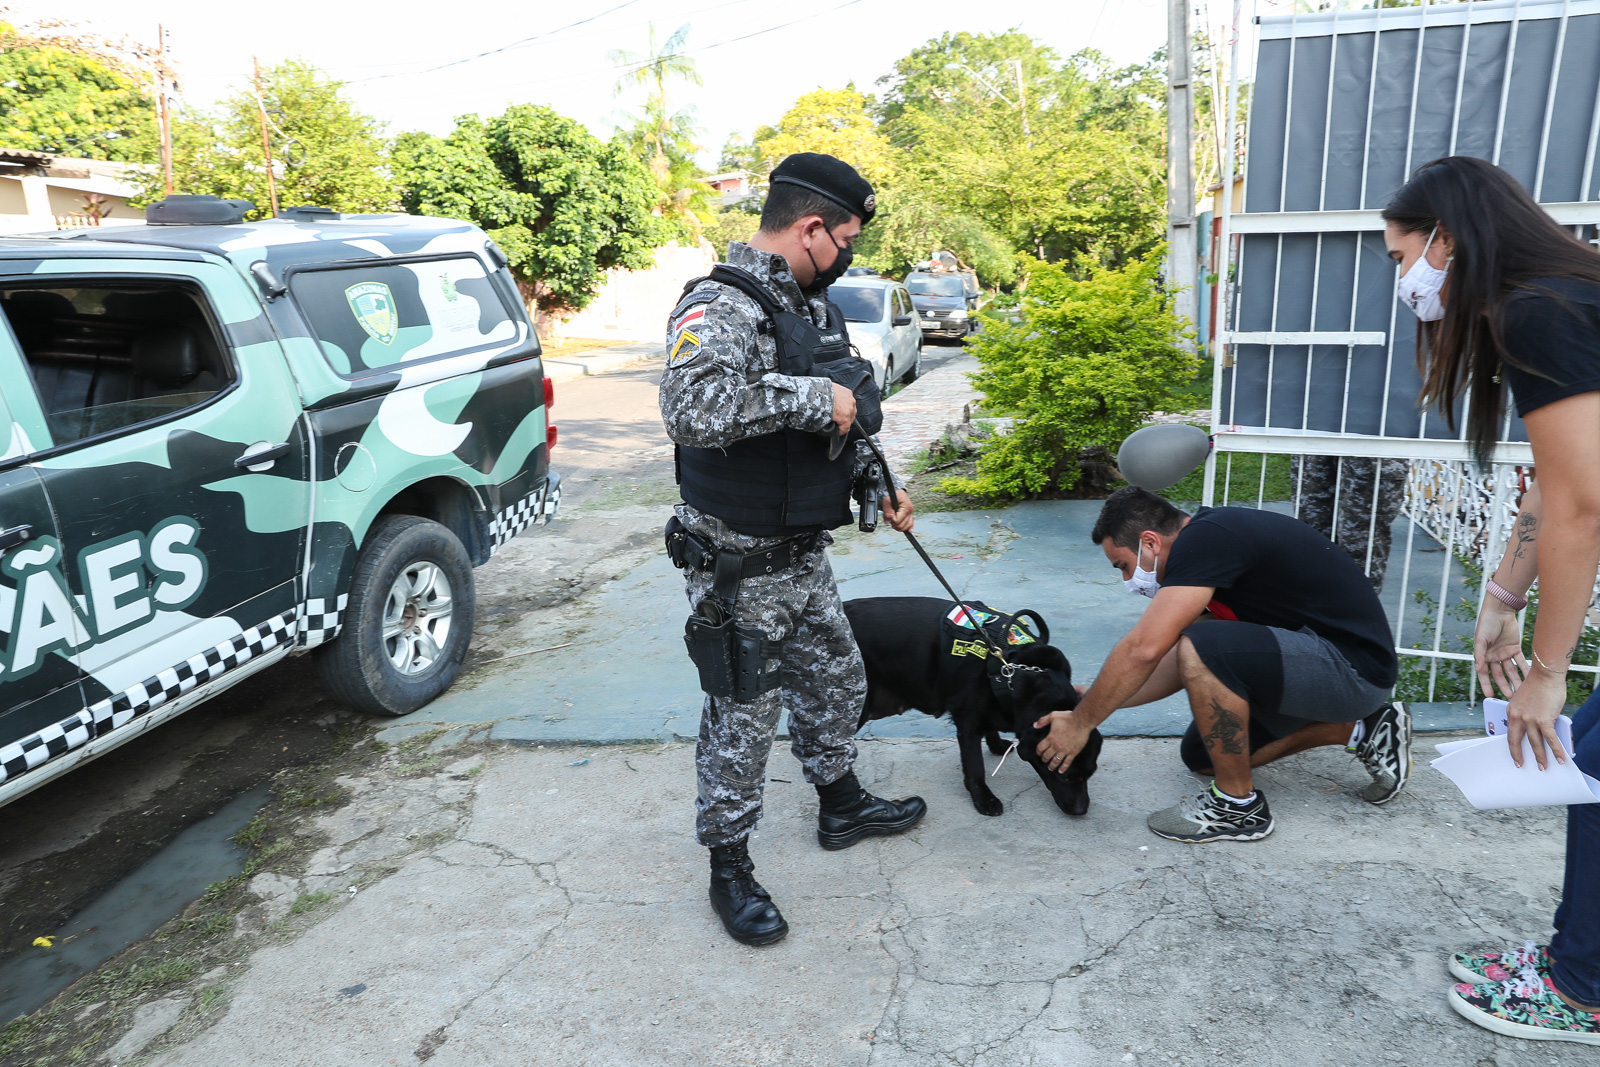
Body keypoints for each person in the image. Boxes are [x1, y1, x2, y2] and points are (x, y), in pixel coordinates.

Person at [658, 152, 925, 947]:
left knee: (836, 680)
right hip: (738, 568)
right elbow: (690, 408)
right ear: (810, 229)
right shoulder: (720, 304)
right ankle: (729, 869)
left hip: (803, 554)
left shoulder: (811, 306)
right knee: (742, 720)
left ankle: (841, 804)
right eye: (845, 238)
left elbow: (845, 410)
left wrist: (878, 480)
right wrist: (813, 397)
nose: (847, 252)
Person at [1379, 155, 1600, 1044]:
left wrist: (1548, 671)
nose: (1404, 279)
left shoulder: (1540, 309)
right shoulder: (1554, 297)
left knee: (1595, 755)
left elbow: (1582, 504)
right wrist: (1503, 597)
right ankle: (1576, 958)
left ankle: (1582, 988)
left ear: (1446, 238)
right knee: (1592, 753)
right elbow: (1553, 484)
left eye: (1401, 256)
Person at [1032, 485, 1411, 843]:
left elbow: (1145, 649)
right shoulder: (1210, 549)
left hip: (1353, 670)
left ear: (1149, 543)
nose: (1128, 580)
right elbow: (1169, 660)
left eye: (1123, 566)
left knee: (1203, 644)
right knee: (1203, 756)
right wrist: (1088, 700)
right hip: (1319, 669)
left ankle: (1237, 806)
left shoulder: (1206, 539)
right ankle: (1361, 728)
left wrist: (1081, 725)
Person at [1291, 455, 1409, 591]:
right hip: (1318, 446)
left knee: (1361, 543)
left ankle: (1359, 601)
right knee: (1312, 539)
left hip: (1373, 450)